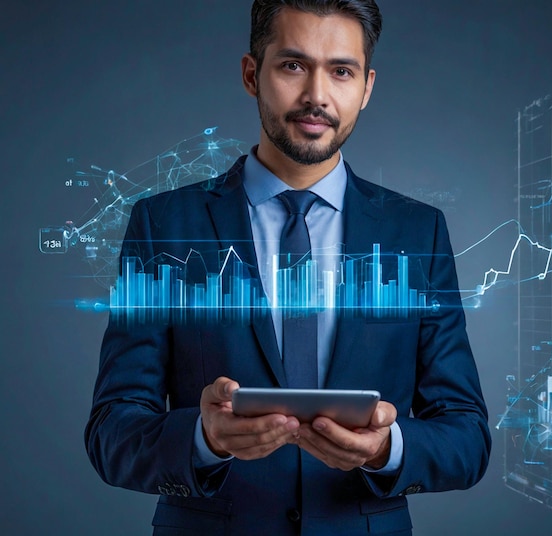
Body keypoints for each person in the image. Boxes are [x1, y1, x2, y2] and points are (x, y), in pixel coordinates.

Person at [85, 1, 491, 534]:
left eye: (341, 71)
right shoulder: (164, 224)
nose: (317, 96)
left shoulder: (418, 233)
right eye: (293, 65)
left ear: (366, 87)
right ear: (253, 74)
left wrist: (386, 449)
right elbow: (113, 430)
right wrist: (204, 440)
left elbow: (467, 435)